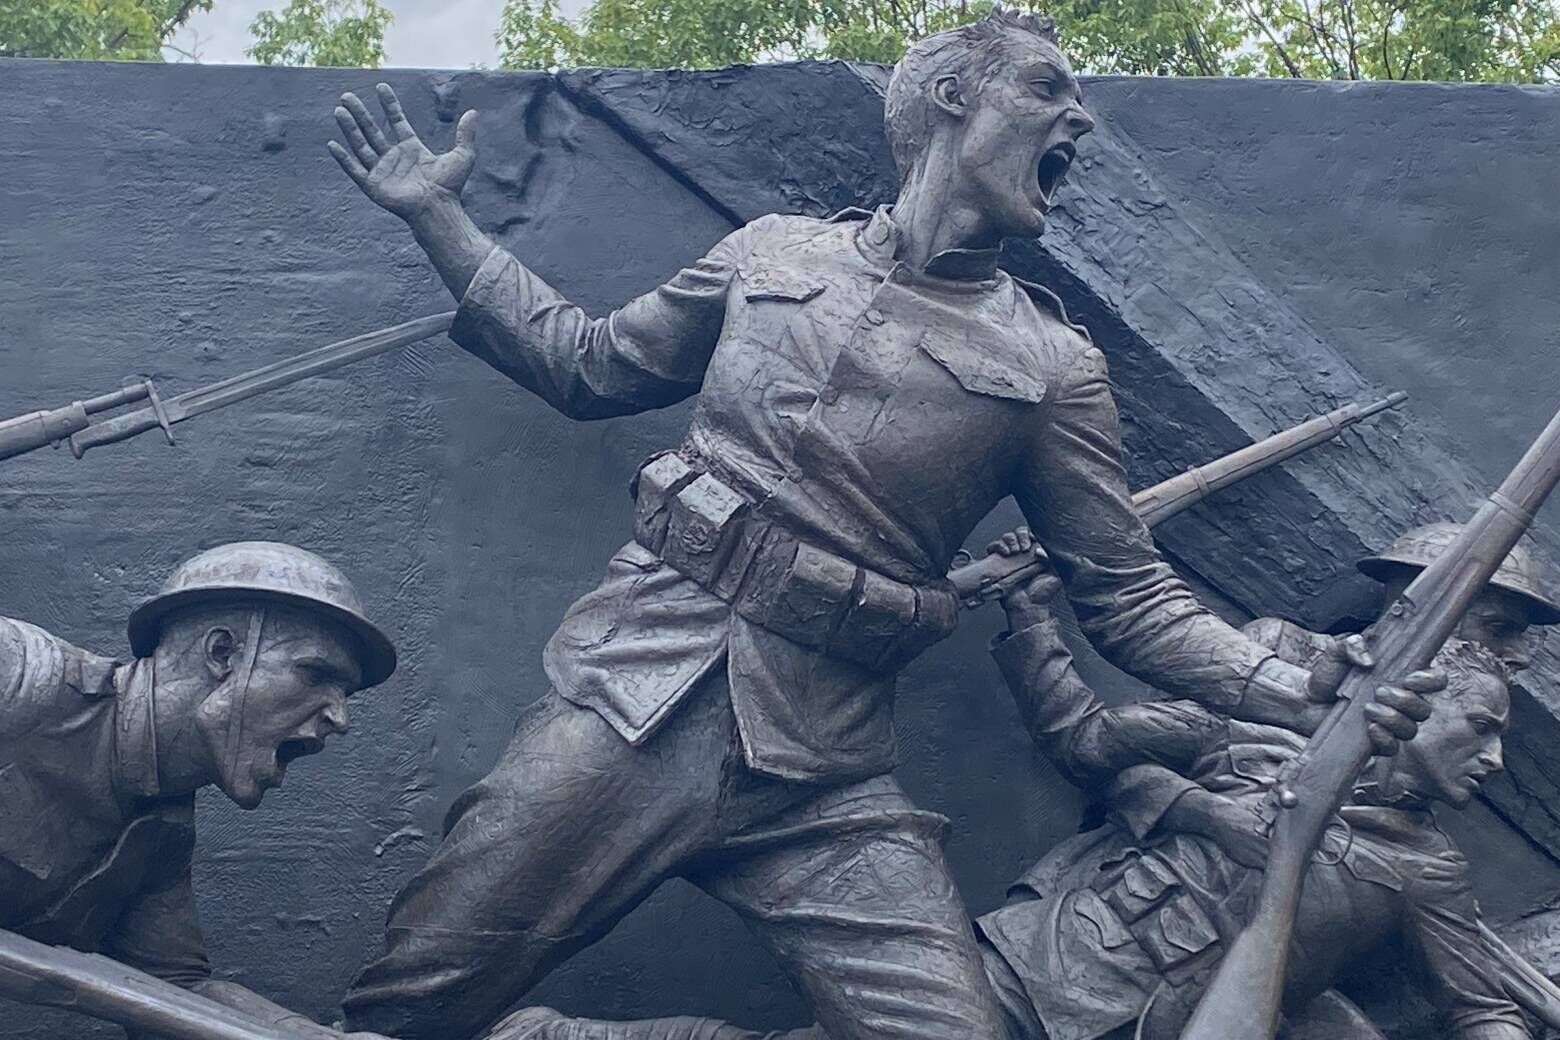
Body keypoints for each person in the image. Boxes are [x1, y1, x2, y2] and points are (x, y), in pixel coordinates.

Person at [326, 11, 1425, 1039]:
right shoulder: (769, 253)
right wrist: (438, 214)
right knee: (414, 1004)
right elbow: (588, 361)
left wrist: (1302, 684)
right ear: (952, 94)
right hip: (633, 699)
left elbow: (1128, 595)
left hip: (823, 768)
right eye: (1047, 88)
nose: (1077, 119)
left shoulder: (1056, 366)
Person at [0, 541, 397, 1040]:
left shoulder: (161, 837)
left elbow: (172, 990)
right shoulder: (19, 675)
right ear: (222, 652)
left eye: (347, 694)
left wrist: (311, 1036)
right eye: (316, 673)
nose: (340, 718)